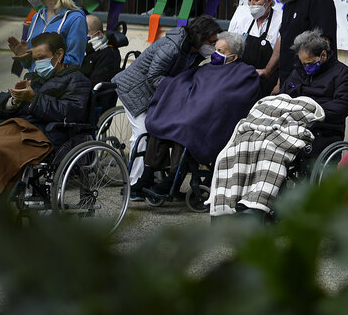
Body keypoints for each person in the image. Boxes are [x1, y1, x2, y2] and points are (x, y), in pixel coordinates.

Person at [0, 33, 91, 197]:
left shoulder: (77, 80)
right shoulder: (34, 78)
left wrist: (33, 99)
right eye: (36, 59)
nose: (38, 63)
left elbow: (69, 112)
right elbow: (3, 106)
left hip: (46, 135)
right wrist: (15, 99)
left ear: (59, 54)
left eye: (42, 57)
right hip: (21, 127)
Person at [136, 32, 262, 200]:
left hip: (212, 122)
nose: (216, 54)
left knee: (185, 128)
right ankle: (148, 174)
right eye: (215, 49)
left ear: (234, 56)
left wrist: (207, 102)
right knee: (162, 122)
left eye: (222, 51)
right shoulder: (207, 67)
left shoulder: (245, 73)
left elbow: (236, 99)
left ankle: (172, 178)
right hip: (193, 113)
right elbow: (184, 82)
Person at [111, 15, 220, 196]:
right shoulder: (172, 47)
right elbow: (154, 77)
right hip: (135, 90)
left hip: (159, 94)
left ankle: (160, 179)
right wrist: (181, 89)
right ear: (200, 38)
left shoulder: (196, 51)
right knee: (143, 132)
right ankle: (134, 183)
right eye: (211, 41)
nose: (214, 45)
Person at [281, 28, 348, 158]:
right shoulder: (298, 72)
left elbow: (342, 106)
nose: (306, 67)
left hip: (324, 129)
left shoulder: (342, 73)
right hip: (293, 126)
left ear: (323, 55)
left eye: (310, 63)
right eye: (303, 63)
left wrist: (310, 111)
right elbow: (283, 95)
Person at [272, 0, 337, 92]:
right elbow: (284, 37)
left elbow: (323, 43)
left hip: (308, 84)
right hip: (287, 81)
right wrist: (278, 80)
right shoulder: (290, 1)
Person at [9, 0, 88, 69]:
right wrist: (24, 56)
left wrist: (43, 56)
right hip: (33, 84)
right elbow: (31, 66)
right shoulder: (36, 17)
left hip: (58, 85)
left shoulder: (75, 19)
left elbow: (75, 63)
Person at [227, 0, 282, 96]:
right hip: (243, 80)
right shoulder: (244, 19)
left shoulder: (280, 21)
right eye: (249, 0)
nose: (252, 4)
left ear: (269, 0)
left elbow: (284, 56)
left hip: (268, 82)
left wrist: (278, 83)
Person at [80, 15, 122, 87]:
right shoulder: (85, 51)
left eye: (86, 30)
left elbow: (96, 83)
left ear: (98, 34)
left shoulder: (108, 54)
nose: (81, 34)